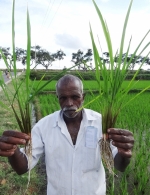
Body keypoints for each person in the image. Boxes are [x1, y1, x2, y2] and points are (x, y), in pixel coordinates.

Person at [0, 74, 134, 195]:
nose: (69, 103)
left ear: (83, 97)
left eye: (75, 97)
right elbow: (22, 167)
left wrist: (124, 153)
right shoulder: (43, 126)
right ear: (57, 98)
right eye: (63, 98)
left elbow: (119, 165)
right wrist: (13, 151)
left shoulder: (100, 122)